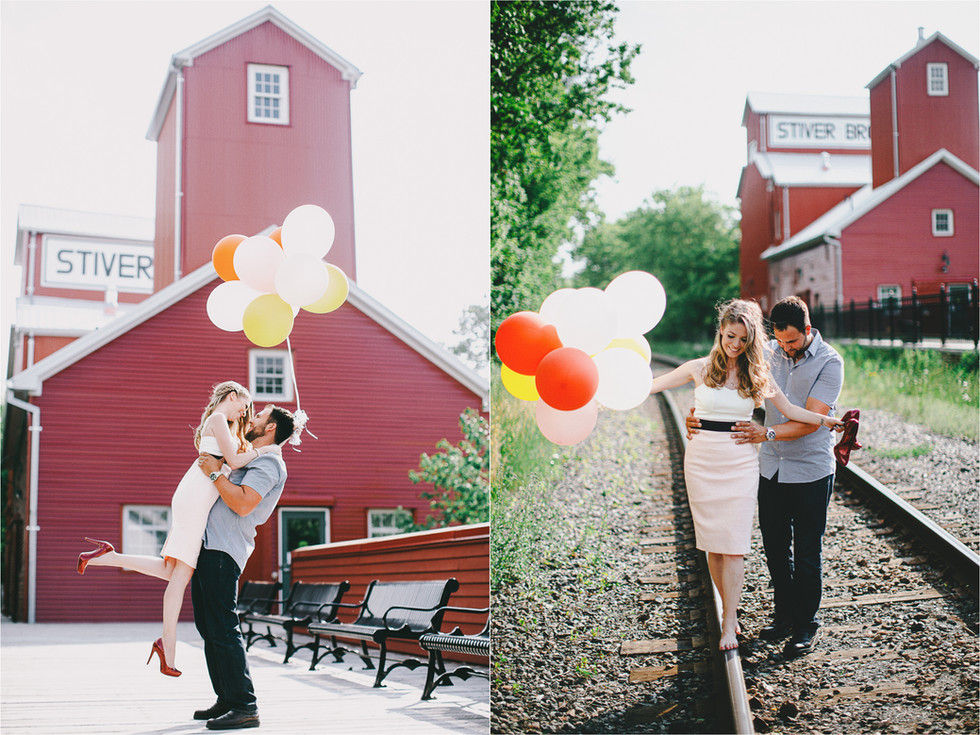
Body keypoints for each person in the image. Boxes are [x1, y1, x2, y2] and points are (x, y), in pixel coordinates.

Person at [649, 299, 841, 650]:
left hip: (790, 466)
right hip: (744, 464)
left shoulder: (813, 364)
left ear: (807, 332)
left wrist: (827, 421)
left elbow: (794, 411)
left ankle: (799, 626)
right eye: (730, 336)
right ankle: (774, 617)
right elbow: (658, 386)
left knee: (788, 548)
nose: (736, 344)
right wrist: (699, 417)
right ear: (720, 331)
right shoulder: (742, 357)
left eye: (742, 339)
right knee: (745, 546)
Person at [76, 381, 280, 675]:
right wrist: (267, 452)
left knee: (173, 570)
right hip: (196, 495)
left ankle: (108, 556)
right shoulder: (219, 418)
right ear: (232, 396)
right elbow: (234, 462)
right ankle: (167, 647)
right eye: (243, 405)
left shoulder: (225, 423)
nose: (245, 412)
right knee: (181, 576)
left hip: (197, 493)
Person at [191, 403, 295, 731]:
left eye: (259, 417)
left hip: (225, 550)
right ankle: (226, 698)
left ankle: (245, 705)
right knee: (208, 626)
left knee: (222, 626)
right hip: (209, 547)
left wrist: (213, 473)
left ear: (270, 429)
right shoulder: (250, 456)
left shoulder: (269, 461)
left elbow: (243, 502)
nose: (251, 420)